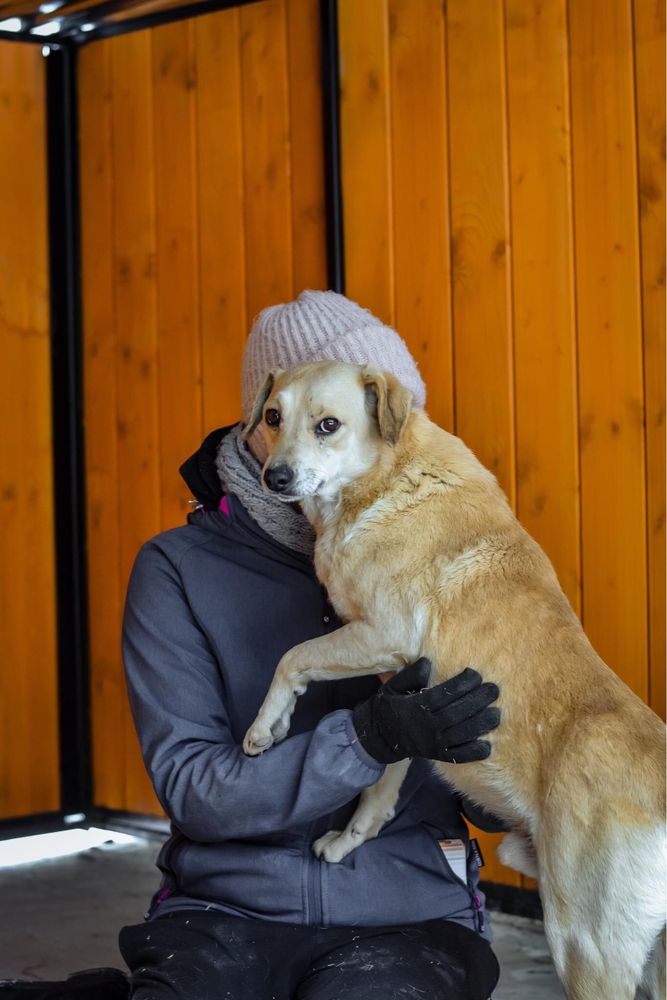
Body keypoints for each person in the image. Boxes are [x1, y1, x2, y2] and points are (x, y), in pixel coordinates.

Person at [118, 291, 504, 1000]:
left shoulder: (456, 551)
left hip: (409, 912)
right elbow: (194, 793)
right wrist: (362, 738)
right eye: (282, 421)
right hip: (227, 911)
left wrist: (495, 737)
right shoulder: (176, 570)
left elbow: (497, 805)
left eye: (344, 426)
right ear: (258, 424)